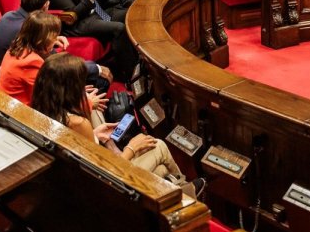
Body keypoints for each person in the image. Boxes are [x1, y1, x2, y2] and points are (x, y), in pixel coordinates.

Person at [31, 53, 198, 196]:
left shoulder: (41, 109)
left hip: (74, 183)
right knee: (158, 145)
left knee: (161, 172)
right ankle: (187, 190)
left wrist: (95, 135)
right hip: (105, 188)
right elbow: (103, 174)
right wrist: (130, 148)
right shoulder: (77, 122)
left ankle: (178, 186)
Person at [0, 11, 63, 103]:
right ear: (41, 40)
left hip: (9, 105)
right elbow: (48, 99)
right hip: (21, 114)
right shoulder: (32, 62)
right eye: (54, 37)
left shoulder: (17, 47)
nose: (56, 40)